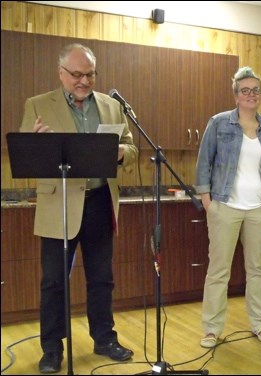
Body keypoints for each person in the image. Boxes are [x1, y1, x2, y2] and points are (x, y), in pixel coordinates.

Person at [19, 43, 138, 373]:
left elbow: (131, 147)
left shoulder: (111, 106)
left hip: (100, 201)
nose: (84, 81)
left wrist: (120, 153)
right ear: (61, 73)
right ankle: (52, 350)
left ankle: (104, 339)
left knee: (102, 278)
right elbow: (27, 156)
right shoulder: (38, 105)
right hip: (60, 204)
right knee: (54, 282)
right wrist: (38, 144)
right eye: (76, 74)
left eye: (89, 74)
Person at [195, 66, 261, 348]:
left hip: (260, 209)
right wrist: (208, 202)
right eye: (245, 90)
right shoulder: (218, 123)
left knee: (257, 269)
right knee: (219, 270)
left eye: (256, 90)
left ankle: (259, 324)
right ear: (236, 95)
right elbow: (203, 163)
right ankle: (212, 328)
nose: (251, 95)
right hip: (225, 206)